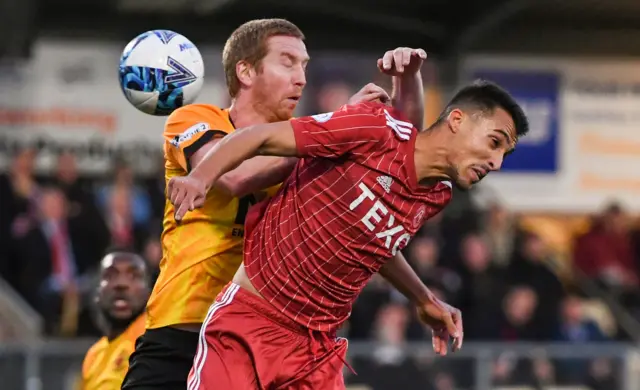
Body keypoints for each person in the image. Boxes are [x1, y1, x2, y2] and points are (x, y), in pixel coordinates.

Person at [122, 17, 429, 390]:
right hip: (183, 331)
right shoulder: (194, 119)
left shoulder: (310, 146)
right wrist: (333, 132)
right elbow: (234, 176)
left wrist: (423, 297)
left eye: (304, 65)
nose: (300, 77)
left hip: (263, 341)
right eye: (287, 62)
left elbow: (367, 228)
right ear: (246, 71)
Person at [168, 80, 529, 389]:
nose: (496, 163)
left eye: (505, 154)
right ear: (457, 119)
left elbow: (376, 245)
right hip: (251, 324)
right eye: (494, 142)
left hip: (316, 352)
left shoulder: (436, 195)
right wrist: (201, 177)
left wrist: (422, 298)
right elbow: (260, 137)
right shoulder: (375, 130)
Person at [80, 250, 149, 389]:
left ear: (149, 291)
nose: (121, 284)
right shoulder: (93, 356)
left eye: (133, 276)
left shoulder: (155, 343)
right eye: (110, 275)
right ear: (97, 292)